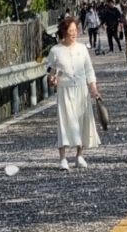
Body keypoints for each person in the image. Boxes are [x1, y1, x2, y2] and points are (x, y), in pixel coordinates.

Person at [46, 17, 101, 170]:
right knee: (65, 123)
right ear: (64, 32)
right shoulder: (55, 51)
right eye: (70, 31)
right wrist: (52, 79)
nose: (73, 34)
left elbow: (89, 70)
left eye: (75, 30)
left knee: (82, 122)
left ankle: (79, 155)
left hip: (82, 90)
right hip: (65, 91)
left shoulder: (82, 48)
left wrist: (94, 88)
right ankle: (63, 157)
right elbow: (50, 71)